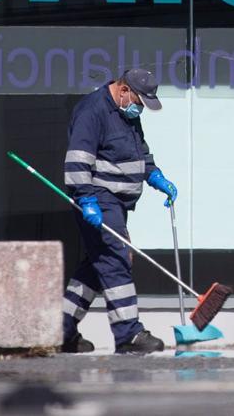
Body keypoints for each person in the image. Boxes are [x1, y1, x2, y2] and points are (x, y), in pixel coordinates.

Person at [59, 68, 179, 355]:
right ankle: (128, 334)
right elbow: (77, 160)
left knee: (95, 267)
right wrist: (86, 199)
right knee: (115, 260)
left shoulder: (127, 114)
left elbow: (139, 153)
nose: (140, 109)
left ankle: (59, 330)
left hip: (117, 203)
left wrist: (156, 176)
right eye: (139, 101)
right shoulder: (92, 111)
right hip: (99, 198)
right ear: (123, 90)